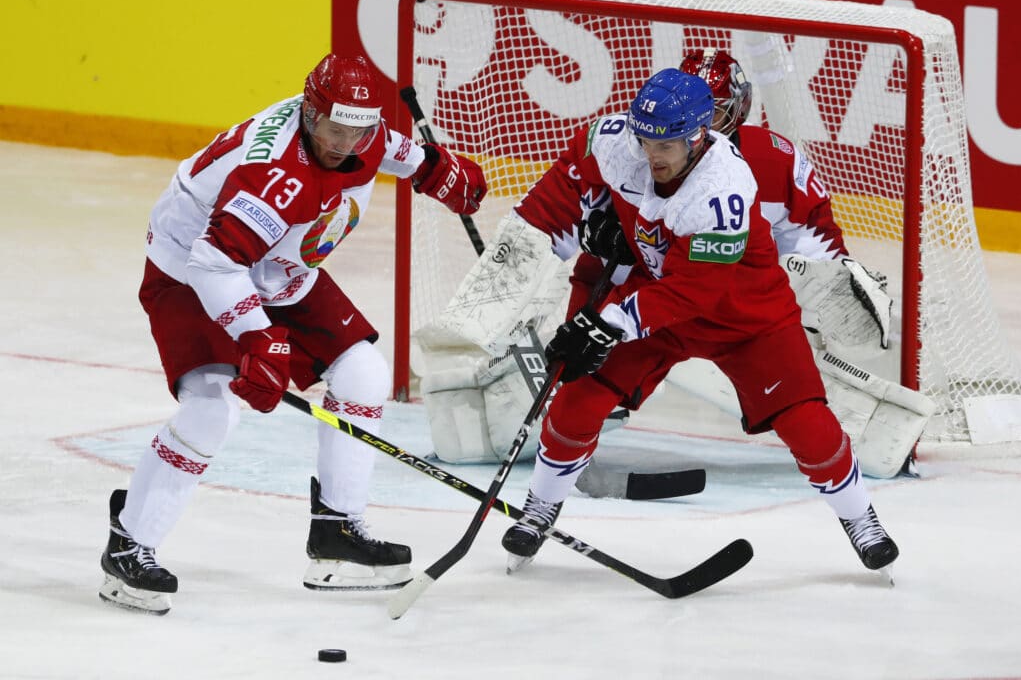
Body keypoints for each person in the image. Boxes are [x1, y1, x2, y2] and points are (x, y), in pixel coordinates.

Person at [421, 49, 929, 482]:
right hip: (646, 286)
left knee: (800, 389)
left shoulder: (773, 163)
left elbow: (819, 254)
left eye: (721, 114)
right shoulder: (634, 147)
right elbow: (569, 200)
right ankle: (573, 431)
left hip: (732, 303)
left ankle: (846, 455)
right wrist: (593, 225)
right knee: (586, 343)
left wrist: (823, 311)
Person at [98, 53, 487, 614]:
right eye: (334, 130)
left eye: (359, 131)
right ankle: (130, 545)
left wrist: (438, 172)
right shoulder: (275, 175)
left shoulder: (356, 130)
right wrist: (259, 338)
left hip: (278, 268)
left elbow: (401, 153)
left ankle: (338, 535)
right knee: (211, 408)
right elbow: (214, 263)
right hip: (190, 272)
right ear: (309, 112)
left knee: (363, 374)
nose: (346, 144)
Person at [497, 68, 899, 576]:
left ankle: (861, 520)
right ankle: (539, 509)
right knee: (576, 401)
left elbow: (697, 290)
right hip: (652, 299)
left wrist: (608, 323)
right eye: (645, 140)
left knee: (808, 427)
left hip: (746, 315)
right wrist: (564, 231)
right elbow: (566, 182)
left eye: (665, 144)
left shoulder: (723, 188)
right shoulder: (615, 140)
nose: (651, 155)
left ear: (698, 135)